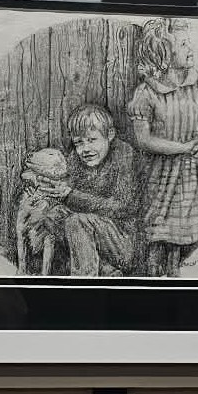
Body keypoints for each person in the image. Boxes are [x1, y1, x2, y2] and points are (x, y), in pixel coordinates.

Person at [128, 17, 198, 277]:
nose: (190, 48)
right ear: (163, 54)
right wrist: (182, 148)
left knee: (187, 225)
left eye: (189, 43)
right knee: (158, 225)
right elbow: (143, 139)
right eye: (183, 44)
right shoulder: (147, 93)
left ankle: (176, 272)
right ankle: (154, 275)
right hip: (162, 174)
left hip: (197, 173)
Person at [60, 102, 142, 277]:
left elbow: (122, 206)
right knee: (54, 216)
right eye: (79, 143)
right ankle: (105, 270)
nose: (85, 149)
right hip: (88, 238)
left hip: (122, 241)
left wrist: (72, 196)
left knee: (76, 221)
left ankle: (84, 281)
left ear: (109, 135)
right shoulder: (74, 160)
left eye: (92, 140)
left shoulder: (124, 155)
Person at [14, 146, 72, 276]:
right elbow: (21, 234)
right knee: (24, 231)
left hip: (58, 260)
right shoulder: (28, 192)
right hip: (32, 200)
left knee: (49, 237)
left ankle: (45, 274)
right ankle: (22, 270)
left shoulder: (57, 193)